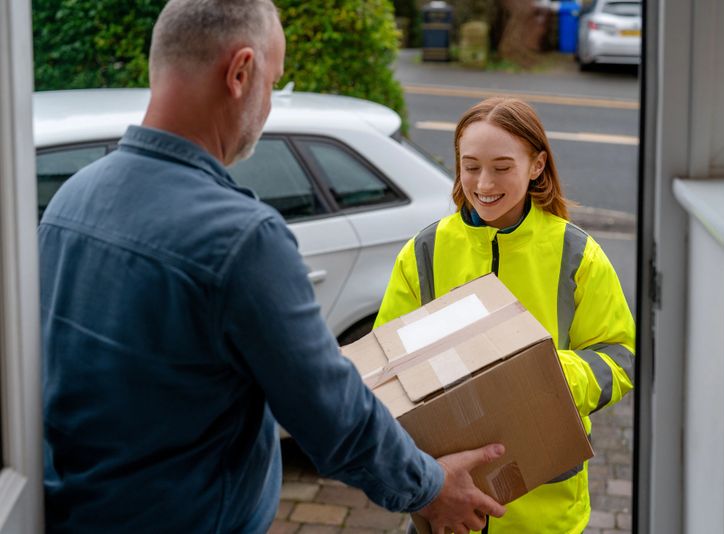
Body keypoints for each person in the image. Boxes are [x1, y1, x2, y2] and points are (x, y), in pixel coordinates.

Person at [38, 1, 507, 532]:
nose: (268, 109)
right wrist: (429, 488)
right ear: (240, 73)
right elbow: (333, 415)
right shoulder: (241, 237)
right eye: (273, 82)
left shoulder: (69, 202)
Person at [375, 97, 635, 534]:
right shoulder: (425, 251)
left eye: (502, 166)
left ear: (536, 165)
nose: (483, 182)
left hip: (544, 511)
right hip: (446, 503)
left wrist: (551, 374)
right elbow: (388, 359)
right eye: (470, 166)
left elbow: (620, 356)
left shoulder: (577, 255)